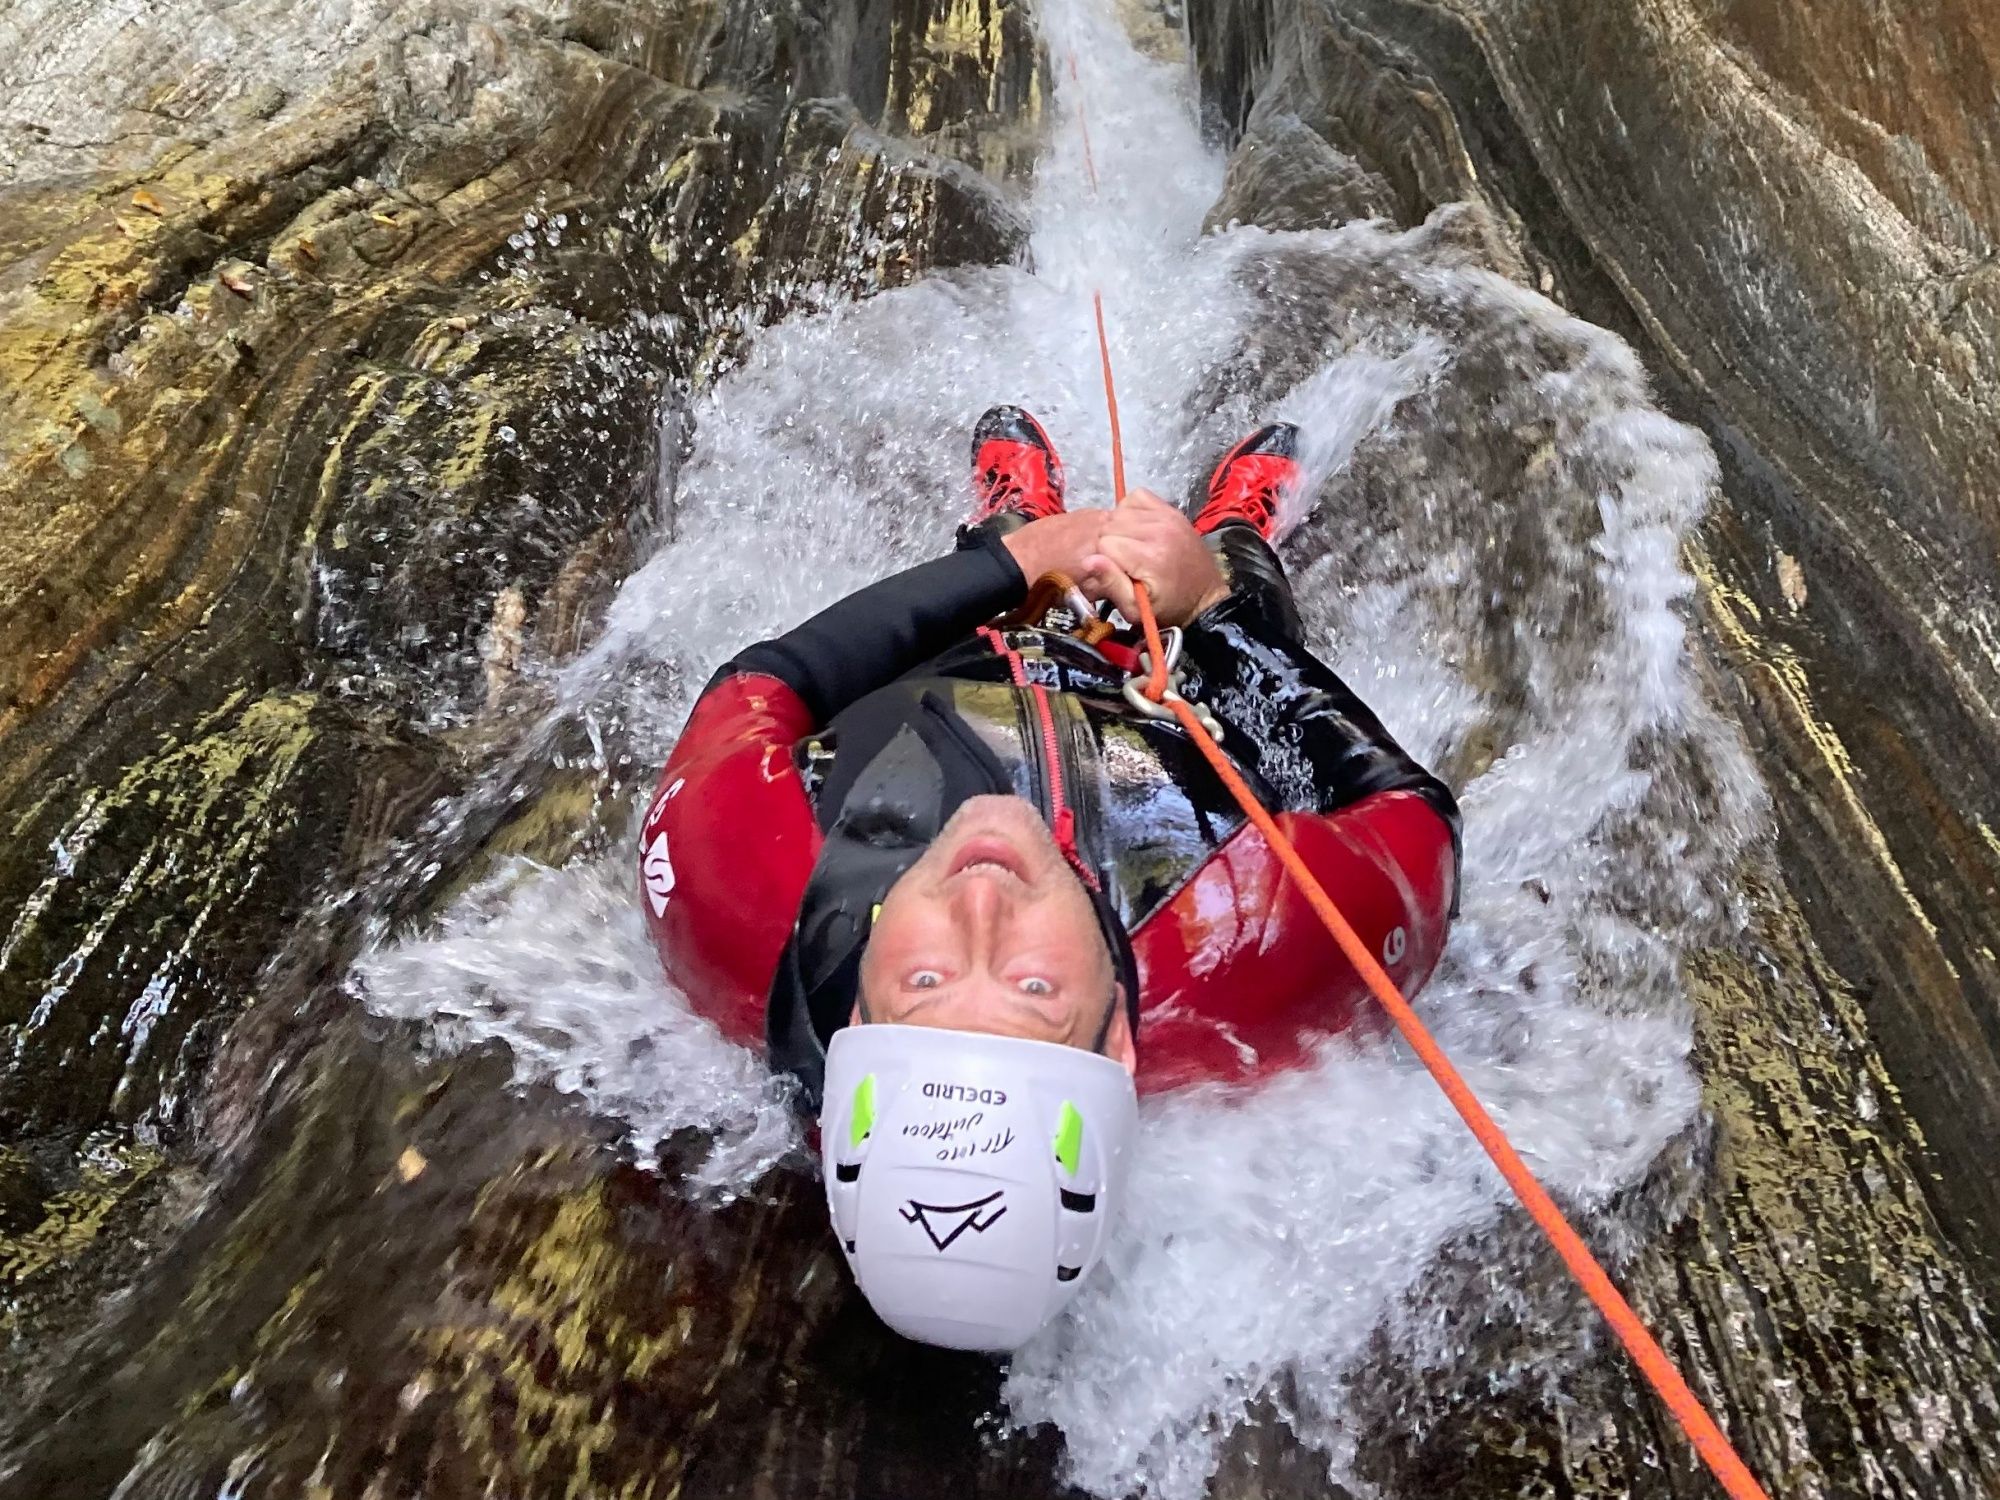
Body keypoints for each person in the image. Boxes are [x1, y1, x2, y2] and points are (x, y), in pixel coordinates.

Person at [639, 407, 1460, 1349]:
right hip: (1169, 677)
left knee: (987, 566)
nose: (980, 904)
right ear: (1117, 1040)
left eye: (926, 982)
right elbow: (1412, 815)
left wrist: (1019, 563)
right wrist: (1213, 614)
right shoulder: (1247, 962)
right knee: (1257, 605)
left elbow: (769, 679)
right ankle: (1235, 533)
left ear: (858, 1022)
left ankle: (1011, 516)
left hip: (971, 647)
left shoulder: (743, 900)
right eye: (1033, 989)